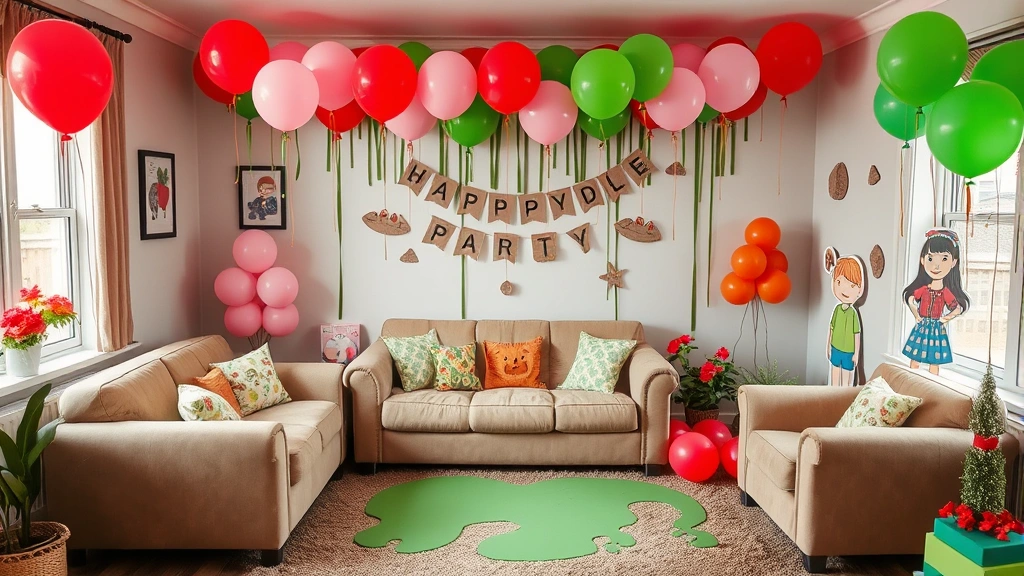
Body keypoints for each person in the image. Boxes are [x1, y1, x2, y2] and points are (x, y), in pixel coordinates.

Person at [902, 228, 970, 374]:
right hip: (922, 326)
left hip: (936, 328)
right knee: (915, 357)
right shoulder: (924, 289)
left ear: (953, 262)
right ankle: (913, 379)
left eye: (944, 258)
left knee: (934, 361)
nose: (936, 266)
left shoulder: (945, 292)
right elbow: (911, 299)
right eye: (931, 258)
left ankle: (932, 382)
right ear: (922, 260)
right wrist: (916, 314)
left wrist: (944, 319)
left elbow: (957, 308)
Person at [826, 256, 864, 386]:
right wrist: (828, 347)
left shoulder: (853, 313)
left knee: (847, 378)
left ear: (859, 289)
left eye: (852, 285)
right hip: (835, 348)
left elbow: (856, 334)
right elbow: (831, 328)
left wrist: (856, 354)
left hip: (849, 351)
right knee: (835, 374)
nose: (845, 290)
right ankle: (833, 395)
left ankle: (842, 396)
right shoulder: (837, 310)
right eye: (840, 282)